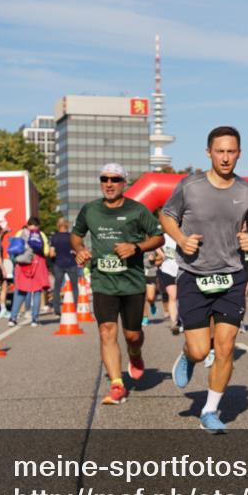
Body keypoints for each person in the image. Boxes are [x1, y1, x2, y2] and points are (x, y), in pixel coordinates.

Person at [161, 126, 248, 434]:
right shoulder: (190, 186)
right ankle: (187, 355)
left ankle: (209, 410)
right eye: (219, 151)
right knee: (199, 349)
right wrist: (180, 238)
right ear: (209, 152)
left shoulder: (246, 190)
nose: (225, 157)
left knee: (225, 347)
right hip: (194, 276)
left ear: (239, 153)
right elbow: (167, 215)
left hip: (231, 277)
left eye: (231, 151)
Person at [72, 163, 163, 406]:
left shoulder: (138, 210)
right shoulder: (90, 210)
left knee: (132, 335)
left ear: (125, 183)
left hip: (132, 282)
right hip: (103, 281)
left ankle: (135, 354)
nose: (109, 183)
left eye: (114, 179)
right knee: (106, 331)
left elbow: (158, 236)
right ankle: (116, 383)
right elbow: (76, 234)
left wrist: (136, 247)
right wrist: (80, 249)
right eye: (104, 179)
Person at [8, 217, 50, 328]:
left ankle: (13, 318)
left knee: (20, 291)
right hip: (37, 263)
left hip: (22, 264)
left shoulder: (20, 232)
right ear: (38, 225)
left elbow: (13, 248)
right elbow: (46, 252)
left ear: (27, 224)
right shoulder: (41, 234)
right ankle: (34, 320)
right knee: (36, 291)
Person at [49, 217, 79, 313]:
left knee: (57, 287)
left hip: (59, 264)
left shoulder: (54, 237)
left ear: (58, 225)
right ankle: (74, 307)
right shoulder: (71, 237)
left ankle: (57, 309)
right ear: (67, 225)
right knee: (74, 286)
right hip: (71, 263)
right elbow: (77, 251)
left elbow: (51, 253)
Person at [157, 235, 181, 335]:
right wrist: (162, 254)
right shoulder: (164, 235)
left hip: (182, 269)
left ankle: (181, 318)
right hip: (167, 269)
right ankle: (174, 322)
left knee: (182, 296)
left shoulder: (184, 231)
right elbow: (155, 244)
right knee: (173, 296)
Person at [142, 250, 159, 327]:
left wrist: (154, 258)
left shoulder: (154, 244)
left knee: (150, 297)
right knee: (142, 297)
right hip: (140, 272)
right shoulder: (136, 242)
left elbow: (162, 256)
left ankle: (152, 304)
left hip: (151, 272)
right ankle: (145, 318)